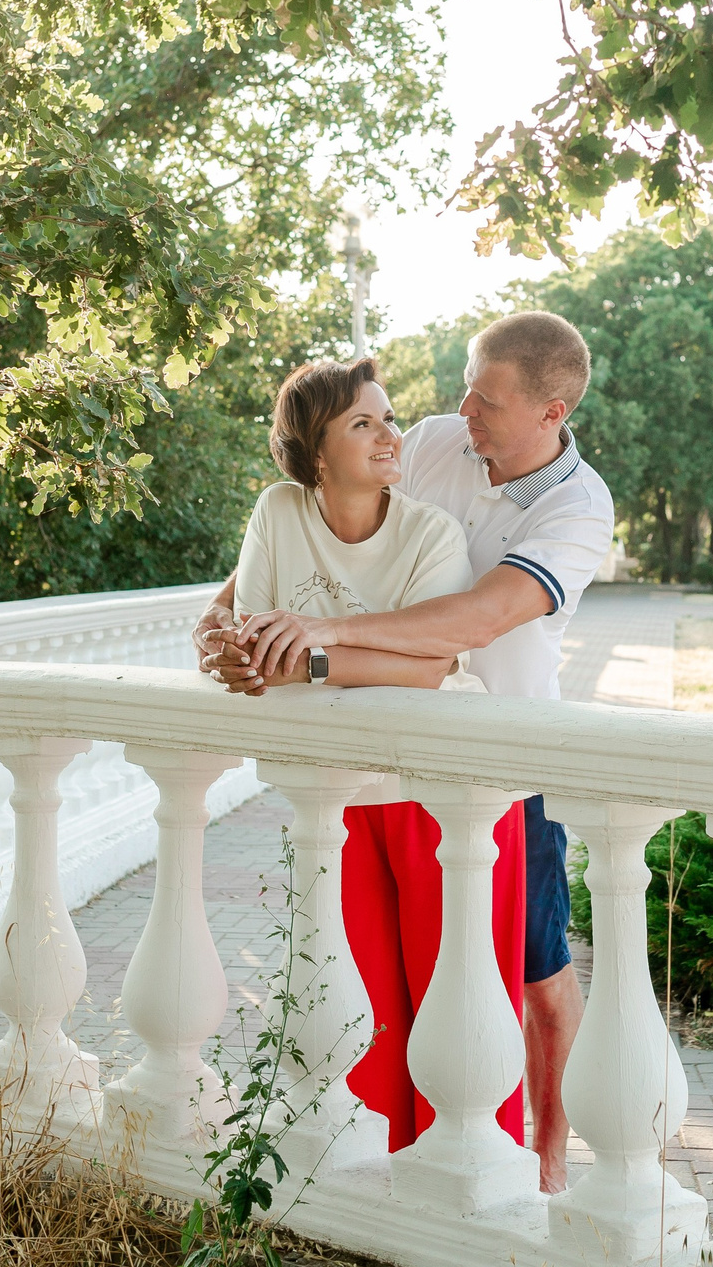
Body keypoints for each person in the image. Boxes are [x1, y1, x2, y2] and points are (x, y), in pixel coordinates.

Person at [195, 311, 612, 1193]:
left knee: (536, 977)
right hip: (377, 768)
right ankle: (397, 1159)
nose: (464, 407)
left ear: (551, 411)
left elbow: (476, 620)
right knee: (388, 985)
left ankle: (545, 1157)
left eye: (489, 399)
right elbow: (318, 504)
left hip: (504, 761)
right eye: (467, 384)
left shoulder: (579, 509)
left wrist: (318, 637)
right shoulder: (434, 441)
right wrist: (224, 612)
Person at [217, 355, 523, 1157]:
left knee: (454, 1003)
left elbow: (428, 665)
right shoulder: (279, 513)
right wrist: (244, 651)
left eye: (389, 417)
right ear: (316, 453)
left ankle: (475, 1195)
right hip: (336, 798)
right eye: (364, 422)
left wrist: (313, 653)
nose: (391, 435)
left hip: (437, 797)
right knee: (362, 1014)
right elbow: (251, 638)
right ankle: (378, 1191)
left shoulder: (430, 532)